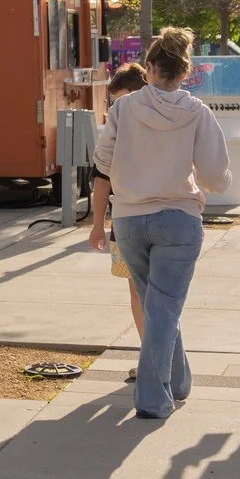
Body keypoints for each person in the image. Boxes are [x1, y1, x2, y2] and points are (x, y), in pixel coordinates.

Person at [89, 28, 230, 420]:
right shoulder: (198, 113)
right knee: (164, 307)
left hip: (131, 218)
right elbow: (217, 176)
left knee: (158, 306)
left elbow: (102, 162)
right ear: (185, 73)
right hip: (179, 219)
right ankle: (153, 398)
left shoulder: (124, 108)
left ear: (149, 67)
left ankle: (179, 381)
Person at [92, 62, 152, 343]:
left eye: (122, 102)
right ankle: (150, 354)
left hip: (137, 219)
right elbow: (102, 179)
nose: (118, 110)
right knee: (137, 291)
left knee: (152, 293)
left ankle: (156, 358)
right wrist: (96, 225)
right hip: (124, 220)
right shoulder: (115, 130)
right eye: (114, 104)